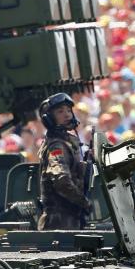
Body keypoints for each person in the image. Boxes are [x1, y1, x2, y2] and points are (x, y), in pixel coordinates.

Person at [36, 93, 90, 230]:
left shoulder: (69, 141)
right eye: (60, 112)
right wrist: (85, 203)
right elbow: (61, 181)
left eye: (68, 110)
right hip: (59, 223)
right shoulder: (57, 146)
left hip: (71, 219)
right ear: (49, 119)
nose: (67, 115)